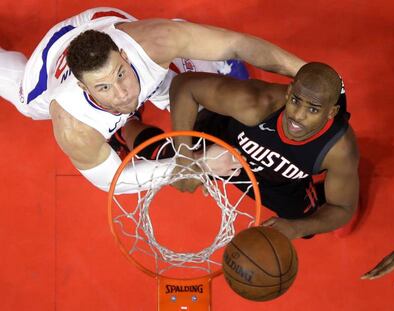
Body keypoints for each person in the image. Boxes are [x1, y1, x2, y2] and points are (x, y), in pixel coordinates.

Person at [0, 7, 305, 194]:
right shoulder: (74, 125)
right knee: (24, 101)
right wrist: (197, 165)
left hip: (106, 21)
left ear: (123, 55)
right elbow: (113, 180)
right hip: (50, 58)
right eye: (103, 88)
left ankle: (198, 54)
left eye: (120, 74)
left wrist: (307, 73)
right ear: (82, 86)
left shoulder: (153, 42)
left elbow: (238, 44)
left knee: (187, 83)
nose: (121, 93)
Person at [169, 62, 359, 239]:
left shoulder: (339, 149)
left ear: (331, 113)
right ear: (289, 91)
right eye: (295, 100)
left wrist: (295, 228)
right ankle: (222, 66)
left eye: (313, 110)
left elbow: (342, 207)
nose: (298, 115)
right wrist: (184, 157)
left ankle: (333, 189)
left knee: (306, 224)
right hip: (223, 148)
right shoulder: (255, 103)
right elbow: (184, 86)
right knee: (166, 157)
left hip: (280, 184)